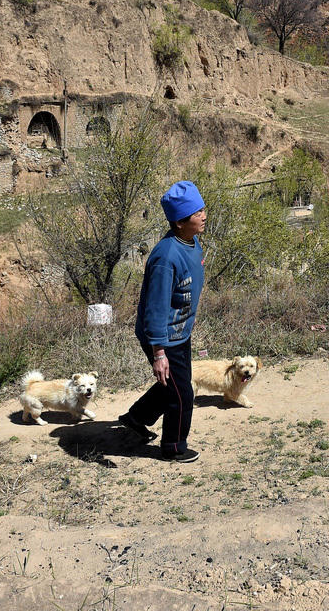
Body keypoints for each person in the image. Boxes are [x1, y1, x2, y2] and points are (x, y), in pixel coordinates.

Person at [117, 181, 207, 463]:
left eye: (203, 208)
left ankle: (136, 417)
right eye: (197, 212)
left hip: (180, 333)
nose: (204, 215)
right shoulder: (165, 257)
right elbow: (155, 309)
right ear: (180, 222)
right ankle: (173, 447)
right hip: (163, 337)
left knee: (174, 385)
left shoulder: (190, 242)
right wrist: (159, 353)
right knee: (182, 395)